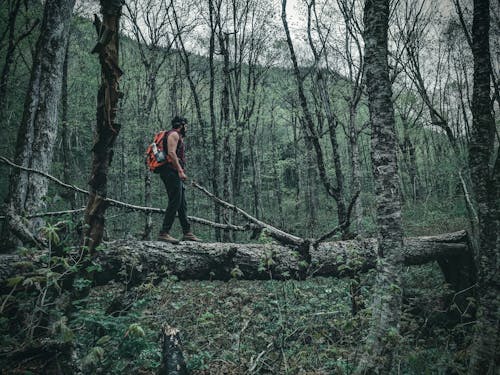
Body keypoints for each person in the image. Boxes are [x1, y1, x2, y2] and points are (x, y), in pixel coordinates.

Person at [157, 116, 201, 244]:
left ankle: (187, 232)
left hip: (173, 171)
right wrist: (180, 170)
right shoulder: (174, 135)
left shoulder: (176, 136)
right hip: (170, 172)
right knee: (175, 201)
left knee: (182, 203)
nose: (186, 128)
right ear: (181, 125)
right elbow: (171, 153)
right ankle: (164, 233)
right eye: (185, 126)